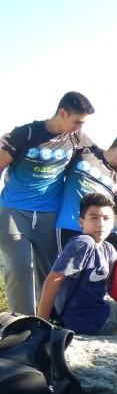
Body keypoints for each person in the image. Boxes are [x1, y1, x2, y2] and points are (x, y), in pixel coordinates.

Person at [0, 91, 94, 314]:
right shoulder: (26, 133)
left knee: (51, 270)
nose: (79, 127)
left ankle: (47, 322)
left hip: (50, 214)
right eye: (77, 121)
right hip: (13, 212)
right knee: (19, 268)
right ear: (62, 112)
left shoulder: (76, 138)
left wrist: (116, 175)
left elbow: (99, 158)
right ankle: (23, 325)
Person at [36, 193, 117, 335]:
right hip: (85, 321)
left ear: (112, 224)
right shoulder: (83, 243)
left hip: (100, 310)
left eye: (106, 219)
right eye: (94, 218)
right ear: (81, 222)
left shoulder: (107, 248)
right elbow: (52, 281)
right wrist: (40, 325)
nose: (100, 224)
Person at [55, 133, 117, 255]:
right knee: (71, 273)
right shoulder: (85, 153)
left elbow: (116, 219)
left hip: (105, 235)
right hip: (72, 228)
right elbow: (72, 129)